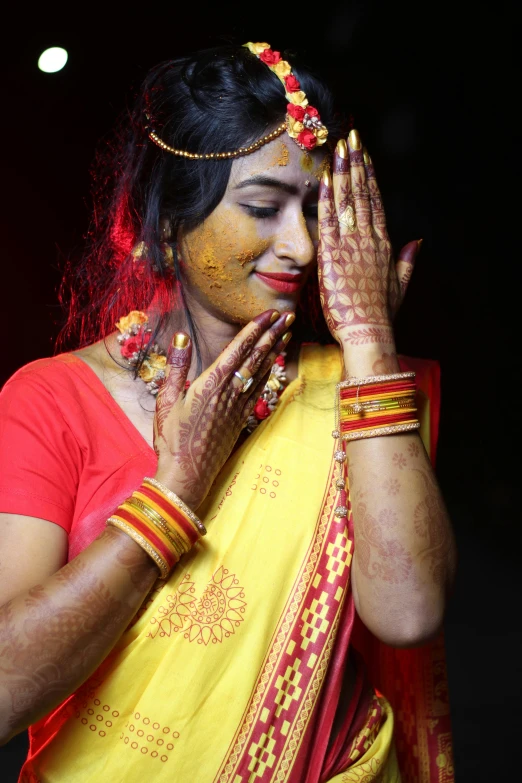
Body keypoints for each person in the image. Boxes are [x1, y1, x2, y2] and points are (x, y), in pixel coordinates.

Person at [0, 41, 457, 782]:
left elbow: (409, 614)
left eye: (313, 210)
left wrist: (371, 344)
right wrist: (172, 496)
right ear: (165, 224)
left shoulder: (352, 390)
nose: (303, 246)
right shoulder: (52, 401)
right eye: (261, 207)